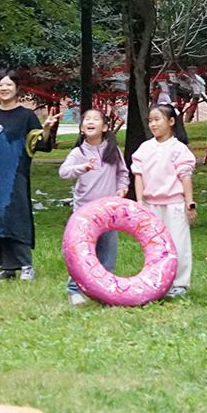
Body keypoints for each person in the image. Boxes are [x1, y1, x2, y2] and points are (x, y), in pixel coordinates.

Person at [0, 69, 60, 281]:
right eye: (0, 85)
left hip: (16, 176)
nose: (4, 88)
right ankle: (7, 267)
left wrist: (46, 129)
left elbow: (39, 144)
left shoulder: (27, 116)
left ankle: (26, 265)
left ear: (17, 88)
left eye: (8, 84)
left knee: (16, 217)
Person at [57, 108, 130, 307]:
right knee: (82, 253)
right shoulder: (79, 152)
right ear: (82, 128)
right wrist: (82, 167)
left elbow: (122, 173)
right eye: (87, 119)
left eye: (95, 119)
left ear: (105, 127)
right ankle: (74, 290)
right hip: (84, 213)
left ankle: (105, 291)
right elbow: (64, 172)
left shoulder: (113, 151)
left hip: (108, 212)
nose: (90, 121)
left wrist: (122, 187)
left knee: (107, 253)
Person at [132, 103, 197, 297]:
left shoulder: (179, 149)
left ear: (171, 121)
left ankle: (179, 283)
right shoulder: (145, 148)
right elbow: (138, 175)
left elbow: (185, 177)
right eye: (150, 120)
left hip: (174, 204)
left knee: (178, 243)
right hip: (151, 204)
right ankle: (157, 281)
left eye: (157, 119)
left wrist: (189, 202)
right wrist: (140, 202)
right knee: (154, 245)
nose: (153, 124)